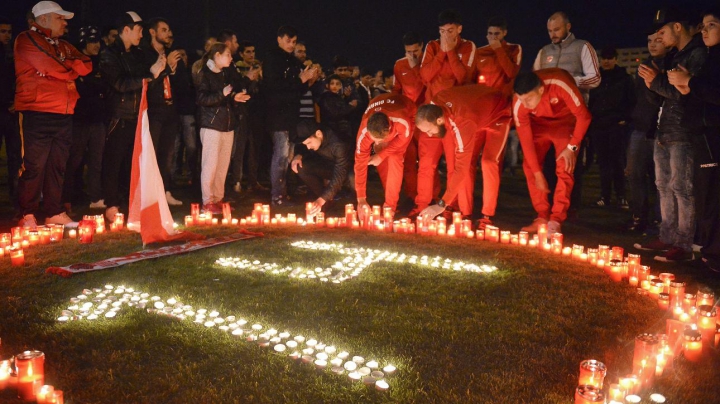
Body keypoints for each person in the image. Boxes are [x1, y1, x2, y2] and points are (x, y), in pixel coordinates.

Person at [636, 7, 707, 262]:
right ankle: (667, 236)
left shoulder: (698, 54)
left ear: (677, 27)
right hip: (664, 128)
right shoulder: (674, 55)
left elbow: (687, 92)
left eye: (662, 31)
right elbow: (662, 94)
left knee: (682, 188)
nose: (659, 37)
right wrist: (651, 82)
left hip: (684, 131)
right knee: (663, 186)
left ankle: (684, 243)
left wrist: (656, 81)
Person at [14, 1, 92, 228]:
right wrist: (69, 69)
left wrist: (62, 67)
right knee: (33, 165)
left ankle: (53, 211)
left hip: (64, 112)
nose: (65, 22)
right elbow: (50, 65)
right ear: (44, 18)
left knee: (58, 165)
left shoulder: (64, 45)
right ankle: (27, 213)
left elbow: (86, 64)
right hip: (36, 111)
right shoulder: (26, 38)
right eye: (60, 18)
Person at [666, 8, 720, 269]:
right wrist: (685, 87)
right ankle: (710, 251)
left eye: (711, 25)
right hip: (702, 133)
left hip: (712, 134)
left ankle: (713, 254)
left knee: (710, 195)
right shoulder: (710, 58)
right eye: (703, 25)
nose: (704, 30)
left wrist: (691, 83)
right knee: (704, 193)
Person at [533, 11, 601, 217]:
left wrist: (568, 81)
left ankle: (570, 207)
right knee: (546, 164)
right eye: (549, 31)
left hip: (573, 114)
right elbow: (534, 79)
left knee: (570, 163)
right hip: (546, 115)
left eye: (557, 29)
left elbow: (595, 78)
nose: (552, 34)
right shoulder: (544, 52)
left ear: (568, 27)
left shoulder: (582, 47)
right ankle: (547, 207)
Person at [101, 11, 165, 221]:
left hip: (136, 117)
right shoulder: (109, 54)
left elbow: (145, 80)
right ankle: (111, 205)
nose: (142, 34)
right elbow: (120, 84)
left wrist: (160, 71)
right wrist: (150, 75)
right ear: (126, 30)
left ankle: (130, 203)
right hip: (118, 116)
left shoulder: (136, 55)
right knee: (114, 162)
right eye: (138, 29)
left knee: (133, 162)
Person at [415, 85, 512, 222]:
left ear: (439, 120)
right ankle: (466, 212)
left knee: (488, 162)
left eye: (430, 130)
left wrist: (441, 204)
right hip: (477, 114)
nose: (430, 135)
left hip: (498, 115)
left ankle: (487, 216)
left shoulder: (462, 122)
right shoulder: (436, 103)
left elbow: (461, 168)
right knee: (468, 161)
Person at [413, 9, 476, 218]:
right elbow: (425, 75)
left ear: (459, 29)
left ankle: (452, 206)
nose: (445, 35)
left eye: (450, 31)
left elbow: (464, 77)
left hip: (453, 117)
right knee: (426, 164)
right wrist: (441, 51)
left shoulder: (468, 46)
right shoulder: (432, 46)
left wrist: (450, 52)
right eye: (442, 31)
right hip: (430, 115)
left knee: (453, 164)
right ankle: (422, 205)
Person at [513, 69, 592, 235]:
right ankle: (542, 216)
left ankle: (556, 219)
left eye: (528, 99)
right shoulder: (520, 104)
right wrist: (537, 173)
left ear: (541, 90)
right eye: (521, 100)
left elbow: (584, 116)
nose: (525, 105)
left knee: (565, 165)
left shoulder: (559, 84)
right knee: (530, 165)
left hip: (565, 122)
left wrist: (572, 147)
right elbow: (526, 141)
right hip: (539, 125)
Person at [263, 25, 317, 206]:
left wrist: (307, 80)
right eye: (288, 41)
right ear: (279, 39)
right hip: (277, 116)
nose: (291, 45)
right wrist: (299, 80)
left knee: (287, 155)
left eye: (294, 42)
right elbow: (274, 87)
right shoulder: (272, 59)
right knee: (281, 155)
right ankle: (277, 196)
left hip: (291, 116)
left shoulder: (292, 61)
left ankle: (284, 193)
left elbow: (297, 90)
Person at [195, 42, 250, 213]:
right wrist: (223, 94)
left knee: (223, 164)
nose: (231, 57)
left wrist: (235, 97)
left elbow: (228, 95)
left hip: (227, 125)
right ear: (217, 55)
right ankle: (207, 201)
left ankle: (218, 198)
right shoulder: (204, 73)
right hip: (211, 125)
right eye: (227, 54)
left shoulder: (227, 73)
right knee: (210, 164)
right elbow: (202, 99)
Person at [61, 25, 108, 213]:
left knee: (97, 160)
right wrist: (93, 87)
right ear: (83, 43)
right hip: (79, 120)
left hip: (97, 119)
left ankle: (95, 197)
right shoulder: (75, 62)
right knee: (73, 161)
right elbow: (81, 90)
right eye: (91, 41)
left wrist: (92, 87)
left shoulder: (101, 62)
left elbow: (103, 86)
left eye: (97, 40)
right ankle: (66, 199)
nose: (96, 45)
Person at [625, 32, 667, 233]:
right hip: (640, 128)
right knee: (634, 174)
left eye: (658, 40)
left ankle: (662, 221)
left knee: (661, 179)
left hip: (661, 130)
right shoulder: (644, 67)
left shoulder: (670, 65)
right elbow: (638, 98)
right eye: (649, 41)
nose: (652, 44)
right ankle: (639, 216)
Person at [587, 46, 635, 209]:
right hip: (599, 125)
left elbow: (632, 101)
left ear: (616, 59)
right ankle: (604, 196)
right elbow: (590, 101)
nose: (606, 61)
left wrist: (625, 119)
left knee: (617, 162)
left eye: (610, 58)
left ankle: (621, 196)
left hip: (617, 125)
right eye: (604, 58)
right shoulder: (596, 79)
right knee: (603, 163)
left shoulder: (624, 78)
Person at [142, 17, 183, 206]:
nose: (168, 33)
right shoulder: (145, 54)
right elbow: (148, 84)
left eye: (169, 30)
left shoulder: (170, 54)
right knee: (153, 153)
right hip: (154, 110)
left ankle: (165, 190)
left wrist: (173, 71)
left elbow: (180, 84)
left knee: (167, 155)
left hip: (170, 110)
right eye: (164, 30)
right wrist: (166, 70)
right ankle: (150, 194)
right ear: (153, 32)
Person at [355, 93, 416, 218]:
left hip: (409, 111)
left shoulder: (401, 122)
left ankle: (391, 207)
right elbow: (360, 164)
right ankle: (390, 198)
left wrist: (382, 155)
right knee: (380, 155)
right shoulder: (364, 132)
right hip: (379, 103)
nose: (376, 142)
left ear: (389, 129)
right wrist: (361, 198)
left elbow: (402, 141)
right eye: (374, 139)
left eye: (380, 139)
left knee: (395, 158)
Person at [291, 121, 350, 216]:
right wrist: (298, 155)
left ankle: (356, 206)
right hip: (327, 167)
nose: (308, 147)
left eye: (309, 143)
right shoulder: (315, 140)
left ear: (318, 134)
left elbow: (340, 173)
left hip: (346, 169)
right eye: (306, 144)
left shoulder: (338, 145)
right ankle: (327, 201)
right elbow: (303, 147)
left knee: (352, 178)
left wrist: (321, 200)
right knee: (300, 167)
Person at [0, 16, 21, 209]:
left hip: (11, 110)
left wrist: (17, 99)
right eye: (3, 31)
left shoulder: (11, 54)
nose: (7, 35)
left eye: (9, 31)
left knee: (15, 156)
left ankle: (16, 199)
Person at [474, 16, 522, 99]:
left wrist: (498, 49)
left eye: (497, 34)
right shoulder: (479, 51)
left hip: (504, 99)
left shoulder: (514, 48)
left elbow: (512, 73)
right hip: (484, 98)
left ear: (504, 33)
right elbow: (473, 77)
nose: (493, 37)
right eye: (490, 33)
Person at [317, 74, 357, 143]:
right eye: (332, 83)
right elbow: (336, 112)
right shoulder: (327, 97)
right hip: (334, 131)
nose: (334, 86)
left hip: (339, 130)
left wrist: (347, 98)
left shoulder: (337, 97)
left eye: (337, 84)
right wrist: (351, 107)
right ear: (327, 85)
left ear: (340, 86)